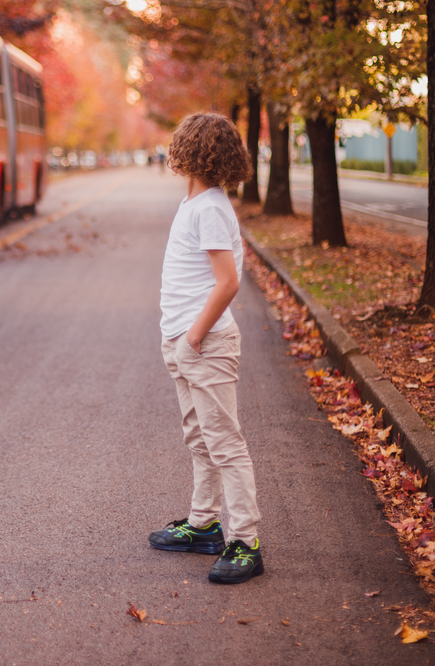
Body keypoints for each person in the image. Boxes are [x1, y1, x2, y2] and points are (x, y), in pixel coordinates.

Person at [149, 112, 263, 584]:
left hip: (205, 342)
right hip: (183, 339)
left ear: (186, 153)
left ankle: (246, 542)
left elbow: (228, 282)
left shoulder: (211, 207)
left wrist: (193, 337)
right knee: (199, 438)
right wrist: (178, 338)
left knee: (224, 442)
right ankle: (203, 525)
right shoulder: (194, 203)